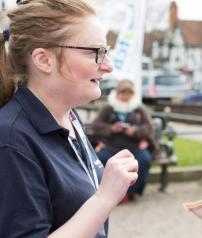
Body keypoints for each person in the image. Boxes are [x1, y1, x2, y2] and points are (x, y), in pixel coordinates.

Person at [0, 0, 138, 237]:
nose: (108, 66)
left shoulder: (70, 117)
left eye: (106, 51)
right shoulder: (11, 139)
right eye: (94, 52)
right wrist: (105, 197)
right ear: (44, 60)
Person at [91, 79, 157, 200]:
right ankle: (101, 191)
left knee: (144, 160)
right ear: (117, 93)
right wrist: (111, 128)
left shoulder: (139, 109)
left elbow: (149, 128)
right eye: (123, 93)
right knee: (99, 160)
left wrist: (135, 131)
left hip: (134, 147)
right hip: (111, 146)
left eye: (128, 93)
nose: (125, 96)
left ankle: (133, 192)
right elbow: (95, 126)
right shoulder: (108, 108)